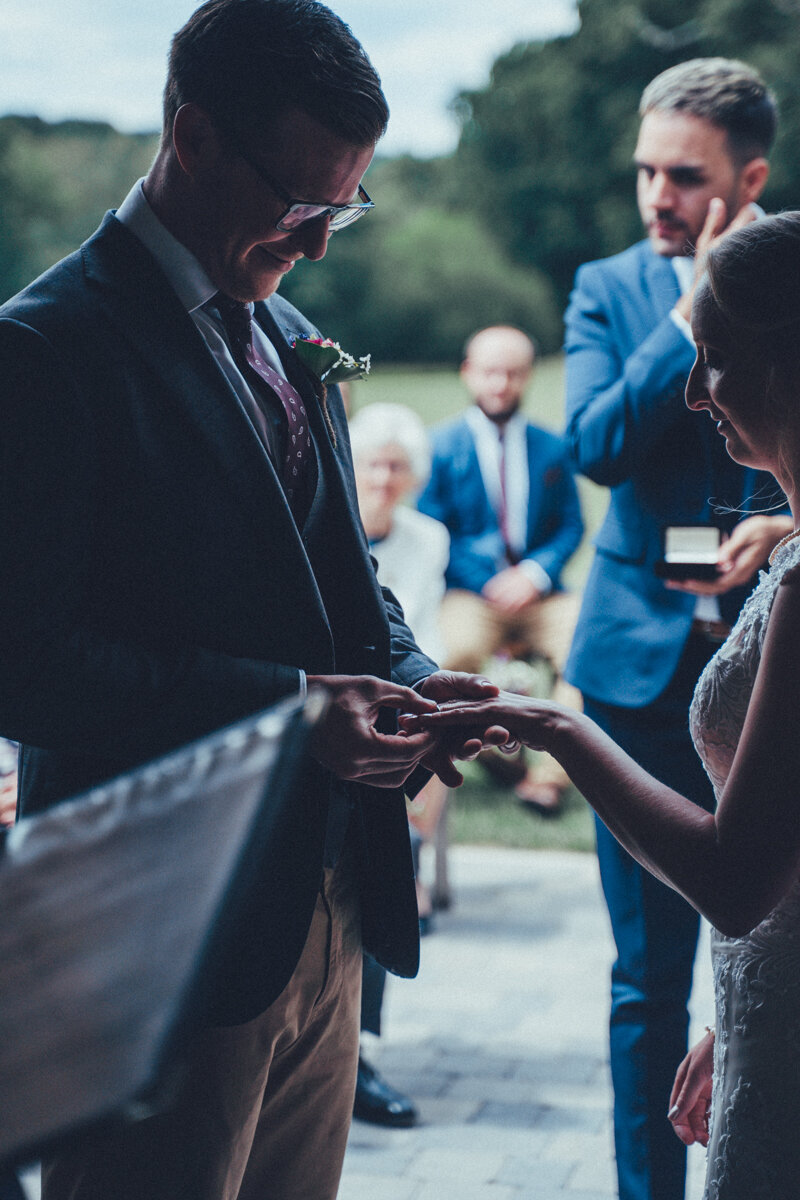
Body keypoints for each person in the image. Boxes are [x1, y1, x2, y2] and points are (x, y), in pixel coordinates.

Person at [0, 4, 500, 1198]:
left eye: (345, 207)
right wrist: (284, 714)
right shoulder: (42, 350)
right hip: (159, 933)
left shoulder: (289, 326)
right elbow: (25, 663)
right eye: (300, 204)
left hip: (324, 915)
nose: (320, 243)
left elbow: (339, 571)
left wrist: (416, 678)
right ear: (192, 136)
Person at [410, 209, 800, 1200]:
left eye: (709, 359)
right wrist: (743, 1012)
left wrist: (548, 724)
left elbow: (735, 874)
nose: (688, 389)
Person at [561, 58, 791, 1200]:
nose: (656, 192)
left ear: (746, 177)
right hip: (639, 666)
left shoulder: (784, 281)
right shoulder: (606, 288)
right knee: (646, 976)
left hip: (755, 637)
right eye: (644, 169)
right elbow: (596, 444)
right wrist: (687, 307)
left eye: (685, 176)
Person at [418, 325, 584, 815]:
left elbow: (571, 525)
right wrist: (486, 580)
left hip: (541, 593)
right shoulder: (441, 446)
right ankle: (496, 757)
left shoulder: (551, 446)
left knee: (588, 644)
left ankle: (548, 778)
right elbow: (432, 529)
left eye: (512, 373)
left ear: (527, 376)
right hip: (472, 592)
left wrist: (535, 573)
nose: (501, 384)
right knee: (453, 652)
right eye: (491, 372)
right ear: (469, 374)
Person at [349, 401, 449, 1127]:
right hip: (331, 700)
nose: (384, 478)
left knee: (390, 837)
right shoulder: (329, 516)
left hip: (396, 689)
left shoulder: (427, 538)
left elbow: (411, 619)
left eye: (396, 466)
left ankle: (355, 1052)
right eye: (372, 464)